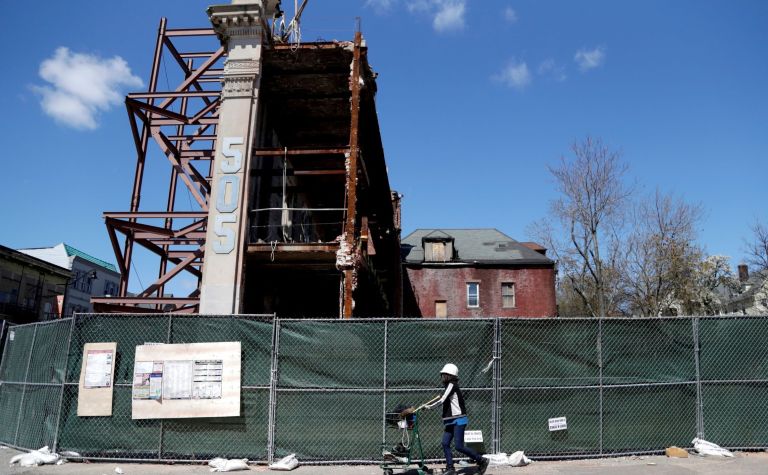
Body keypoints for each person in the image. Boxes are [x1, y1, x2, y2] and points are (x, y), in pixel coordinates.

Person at [426, 363, 489, 475]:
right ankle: (450, 468)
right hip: (450, 420)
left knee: (459, 446)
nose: (443, 377)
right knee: (445, 443)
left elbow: (442, 399)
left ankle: (482, 460)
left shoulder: (452, 384)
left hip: (459, 420)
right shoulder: (448, 386)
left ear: (450, 376)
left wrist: (429, 407)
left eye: (445, 374)